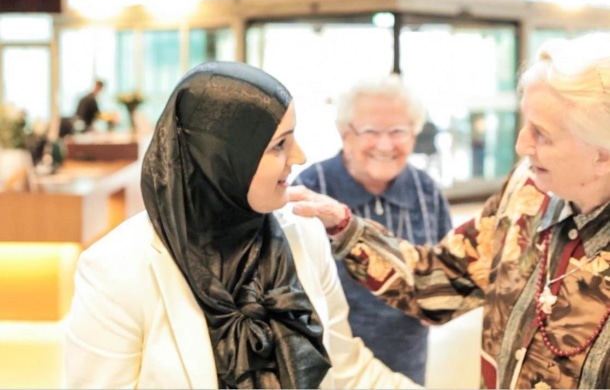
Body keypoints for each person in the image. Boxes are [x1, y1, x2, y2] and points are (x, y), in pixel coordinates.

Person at [64, 61, 418, 389]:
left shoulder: (304, 235)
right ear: (219, 159)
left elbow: (346, 370)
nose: (300, 157)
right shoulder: (115, 270)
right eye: (279, 145)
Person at [289, 32, 610, 389]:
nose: (521, 145)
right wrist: (345, 226)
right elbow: (437, 283)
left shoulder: (428, 189)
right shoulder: (527, 192)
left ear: (603, 153)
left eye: (542, 134)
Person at [292, 76, 452, 384]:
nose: (385, 144)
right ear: (345, 134)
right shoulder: (311, 189)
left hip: (406, 360)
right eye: (371, 132)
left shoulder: (425, 190)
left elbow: (445, 268)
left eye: (398, 131)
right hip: (328, 365)